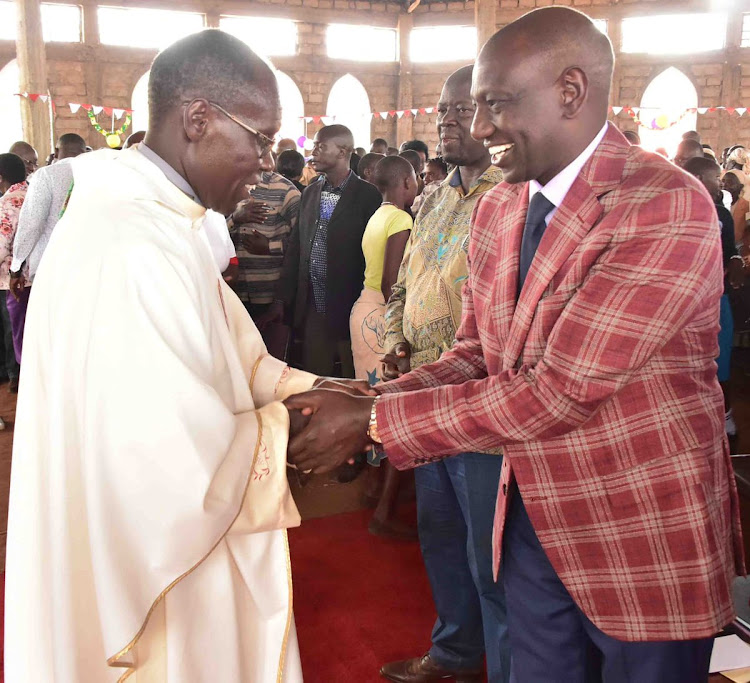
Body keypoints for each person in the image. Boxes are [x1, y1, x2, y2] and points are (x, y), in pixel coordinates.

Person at [283, 8, 743, 683]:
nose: (479, 129)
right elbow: (478, 351)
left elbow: (560, 388)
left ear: (571, 91)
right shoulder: (502, 206)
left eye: (495, 104)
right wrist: (373, 394)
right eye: (475, 108)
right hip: (527, 519)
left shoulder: (662, 202)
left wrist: (377, 420)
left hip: (637, 530)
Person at [4, 29, 368, 682]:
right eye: (257, 139)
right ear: (198, 118)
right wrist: (301, 427)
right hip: (153, 578)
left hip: (160, 553)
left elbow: (234, 359)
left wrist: (331, 388)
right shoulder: (129, 242)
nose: (263, 163)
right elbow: (164, 456)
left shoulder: (160, 220)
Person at [379, 65, 510, 683]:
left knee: (492, 558)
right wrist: (394, 341)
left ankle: (506, 667)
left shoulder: (509, 195)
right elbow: (403, 284)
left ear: (493, 115)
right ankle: (455, 654)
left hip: (482, 404)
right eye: (442, 110)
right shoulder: (431, 196)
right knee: (439, 530)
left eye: (461, 110)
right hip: (424, 395)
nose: (447, 120)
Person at [270, 124, 381, 377]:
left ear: (343, 152)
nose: (313, 152)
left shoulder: (367, 196)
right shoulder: (310, 193)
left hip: (350, 304)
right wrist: (283, 297)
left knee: (354, 374)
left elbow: (375, 255)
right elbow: (296, 247)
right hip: (313, 305)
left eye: (321, 146)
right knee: (315, 374)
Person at [349, 155, 416, 538]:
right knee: (394, 408)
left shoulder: (378, 214)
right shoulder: (403, 219)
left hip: (363, 309)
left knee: (374, 402)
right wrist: (401, 333)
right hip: (382, 315)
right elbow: (394, 280)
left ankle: (372, 489)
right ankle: (385, 511)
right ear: (406, 182)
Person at [8, 132, 87, 364]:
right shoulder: (98, 173)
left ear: (56, 151)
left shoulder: (47, 175)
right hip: (87, 266)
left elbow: (31, 224)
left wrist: (16, 267)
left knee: (52, 334)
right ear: (83, 151)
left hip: (50, 269)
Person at [685, 156, 745, 438]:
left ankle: (725, 413)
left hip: (715, 293)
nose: (717, 188)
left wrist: (735, 261)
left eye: (717, 183)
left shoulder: (721, 213)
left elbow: (731, 247)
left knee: (719, 354)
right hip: (685, 297)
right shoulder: (677, 211)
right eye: (712, 182)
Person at [230, 169, 301, 322]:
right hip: (232, 291)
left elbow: (302, 242)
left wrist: (271, 246)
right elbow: (207, 233)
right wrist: (234, 219)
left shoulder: (285, 189)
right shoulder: (225, 184)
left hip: (270, 293)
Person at [0, 153, 28, 395]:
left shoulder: (9, 200)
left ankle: (18, 373)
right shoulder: (33, 191)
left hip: (12, 279)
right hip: (35, 274)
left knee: (13, 329)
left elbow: (3, 241)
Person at [723, 168, 750, 244]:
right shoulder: (718, 203)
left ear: (740, 186)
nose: (725, 185)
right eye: (723, 181)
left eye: (730, 182)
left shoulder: (747, 207)